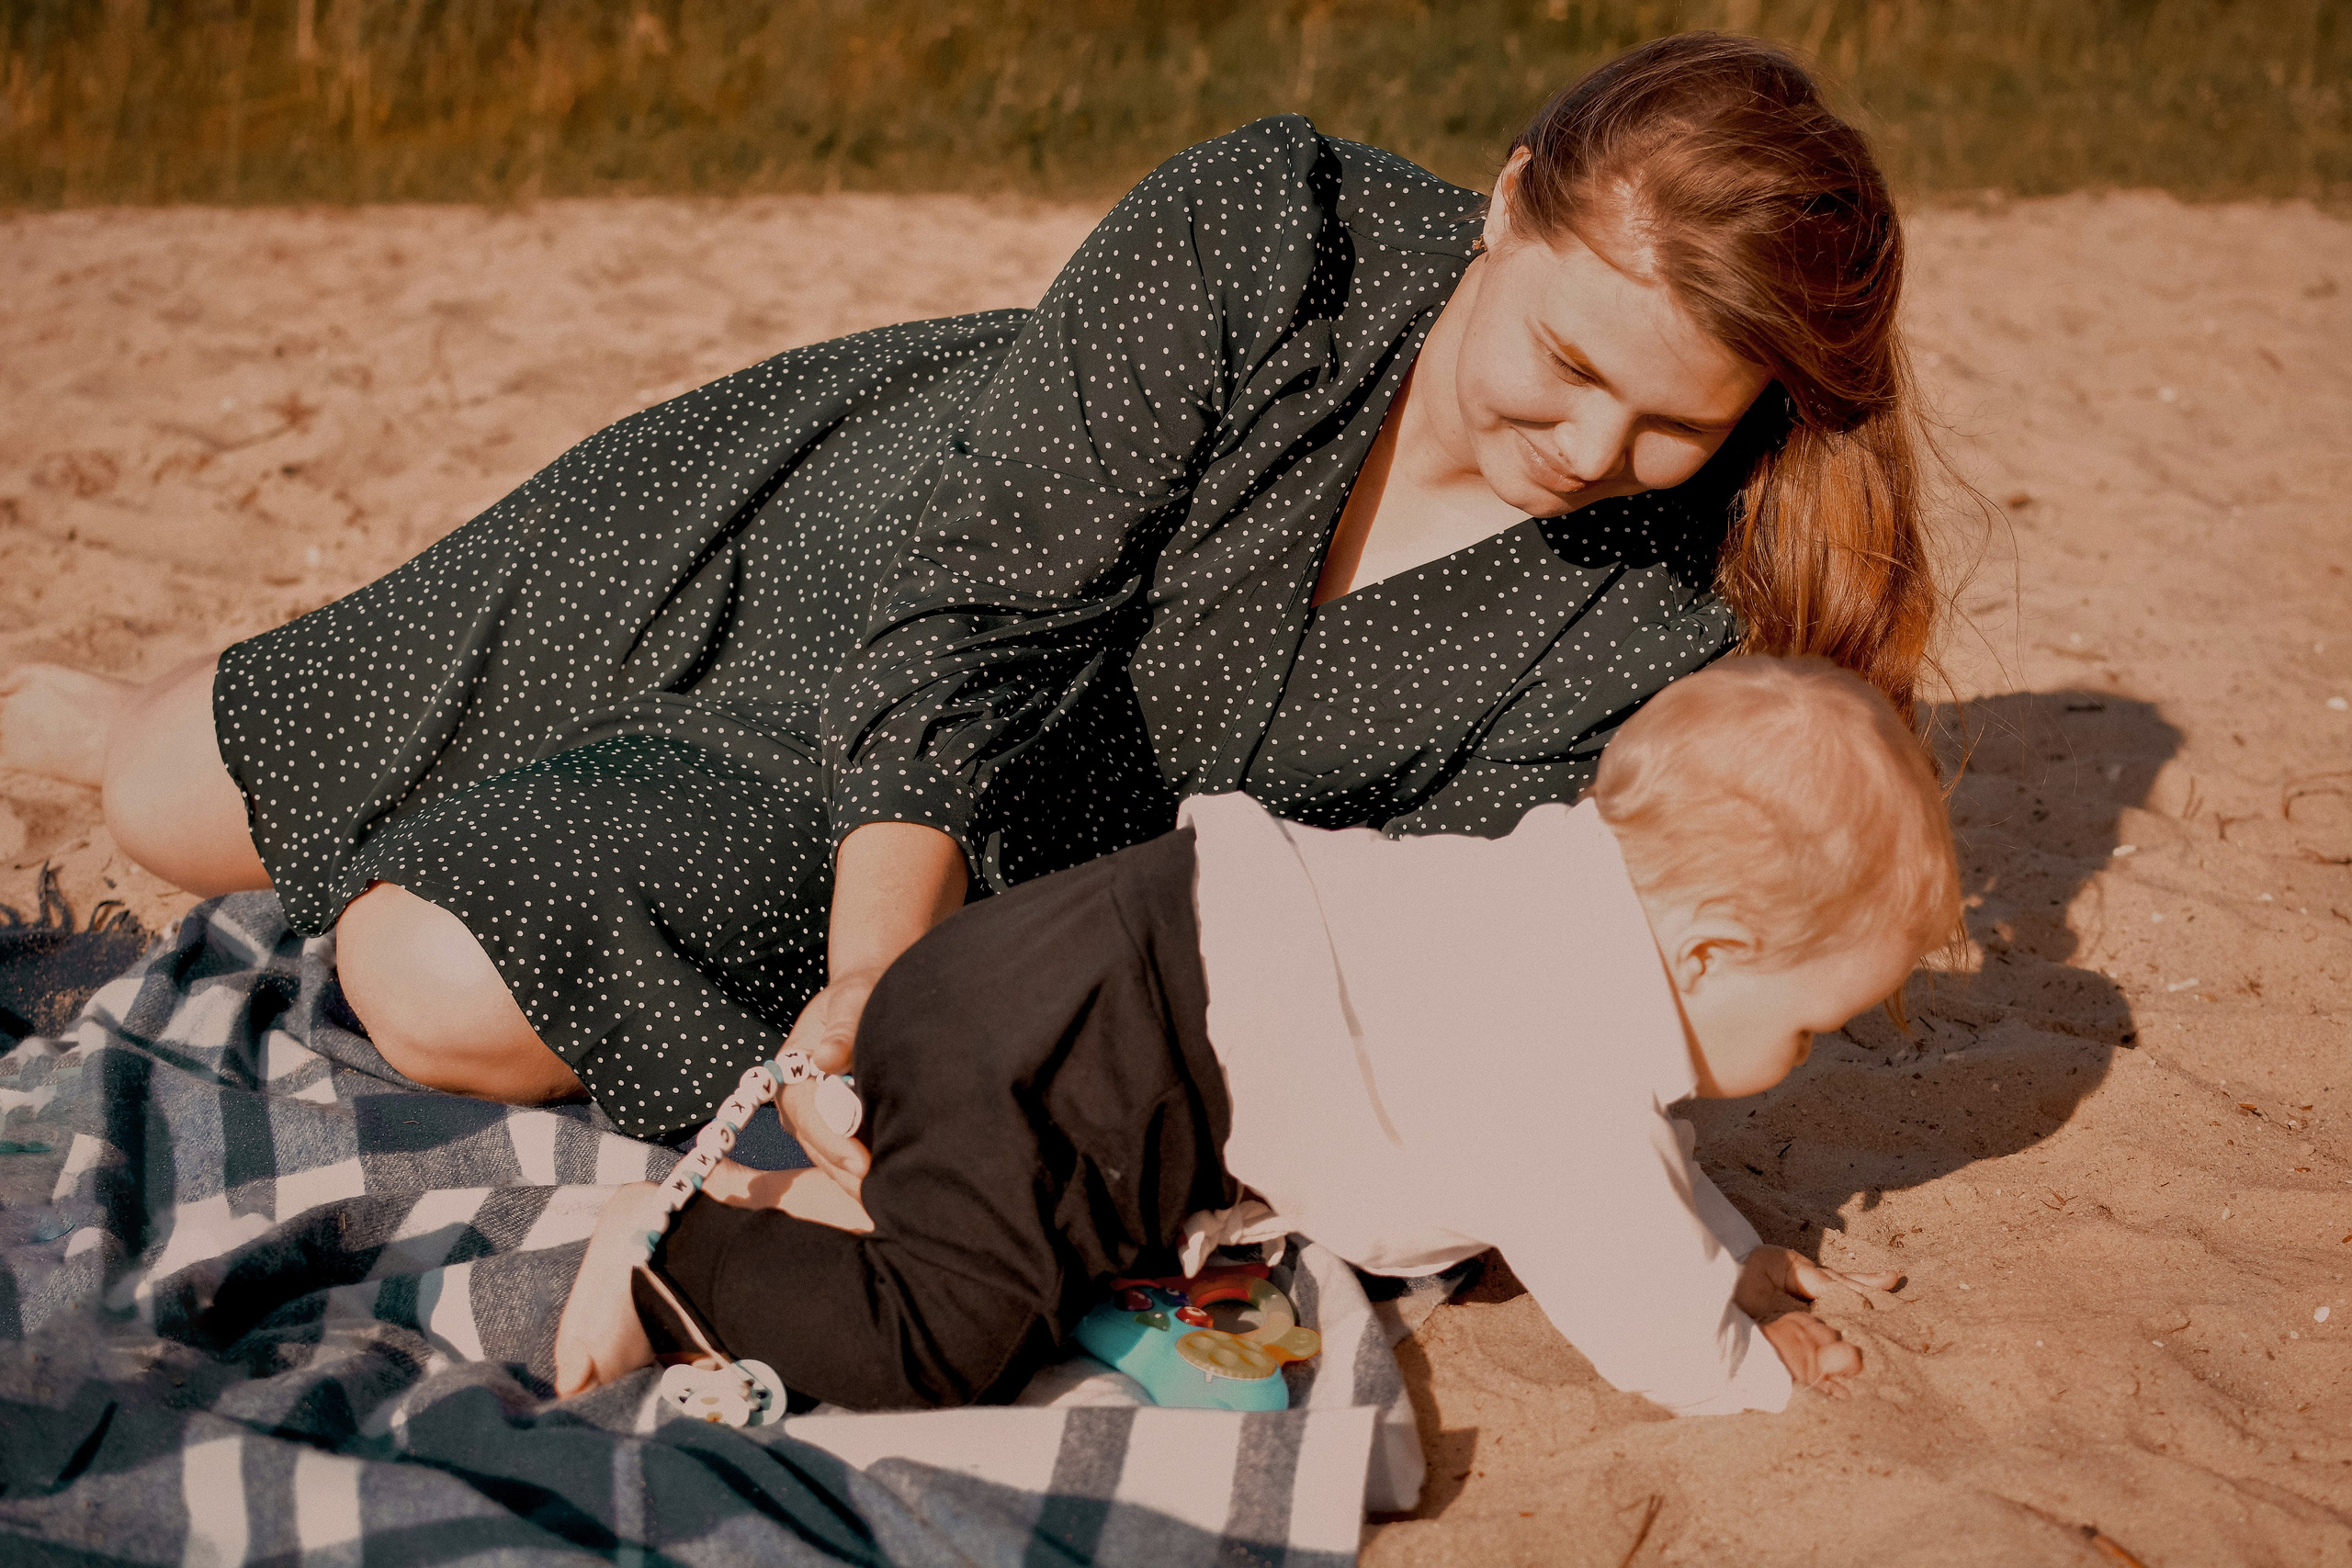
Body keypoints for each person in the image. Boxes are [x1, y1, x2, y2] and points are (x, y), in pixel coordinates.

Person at [0, 34, 1940, 1177]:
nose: (1584, 440)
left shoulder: (1653, 630)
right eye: (1561, 359)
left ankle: (523, 860)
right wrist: (875, 980)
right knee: (170, 797)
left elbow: (1403, 939)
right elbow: (975, 610)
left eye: (1668, 421)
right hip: (850, 573)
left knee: (426, 974)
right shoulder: (1282, 227)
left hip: (1038, 863)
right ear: (1507, 205)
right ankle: (102, 715)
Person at [552, 656, 1961, 1414]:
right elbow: (1621, 1254)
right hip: (1096, 1040)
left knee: (1026, 1239)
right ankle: (675, 1258)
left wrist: (1734, 1246)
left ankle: (757, 1195)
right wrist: (1741, 1363)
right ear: (1712, 952)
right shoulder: (1577, 1030)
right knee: (949, 1338)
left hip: (1086, 969)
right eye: (1807, 1024)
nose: (1800, 1057)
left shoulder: (1554, 904)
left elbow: (1627, 1181)